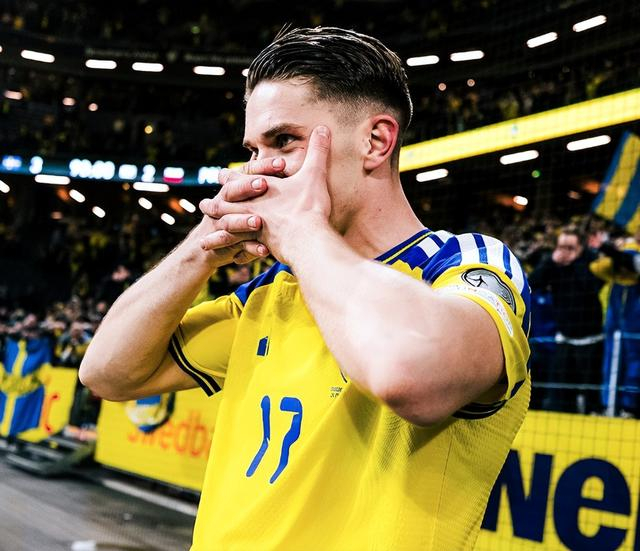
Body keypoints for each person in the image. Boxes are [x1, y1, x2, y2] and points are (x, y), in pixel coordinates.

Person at [80, 27, 531, 551]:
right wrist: (201, 249)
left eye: (284, 141)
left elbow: (410, 376)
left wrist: (301, 231)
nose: (258, 170)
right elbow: (106, 373)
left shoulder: (463, 265)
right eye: (253, 149)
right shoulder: (270, 294)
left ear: (376, 141)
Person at [528, 225, 604, 413]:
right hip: (563, 338)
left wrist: (574, 262)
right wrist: (550, 262)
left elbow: (592, 286)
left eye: (570, 248)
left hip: (591, 340)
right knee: (560, 394)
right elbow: (532, 283)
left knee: (591, 395)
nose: (564, 252)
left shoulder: (593, 261)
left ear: (581, 248)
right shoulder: (553, 264)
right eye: (561, 247)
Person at [590, 229, 640, 417]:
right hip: (616, 316)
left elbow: (633, 263)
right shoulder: (617, 283)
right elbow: (596, 267)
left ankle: (628, 406)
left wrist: (607, 247)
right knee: (611, 357)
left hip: (633, 317)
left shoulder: (629, 253)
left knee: (633, 360)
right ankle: (609, 405)